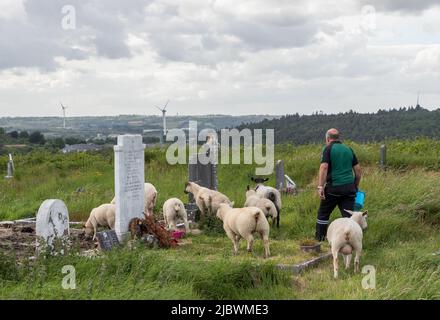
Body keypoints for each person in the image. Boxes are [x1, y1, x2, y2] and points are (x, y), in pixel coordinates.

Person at [315, 128, 362, 241]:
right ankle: (351, 240)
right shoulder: (349, 149)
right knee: (349, 217)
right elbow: (358, 170)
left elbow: (324, 167)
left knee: (323, 213)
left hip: (333, 189)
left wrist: (320, 186)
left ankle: (320, 239)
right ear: (338, 138)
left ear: (327, 138)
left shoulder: (328, 149)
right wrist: (355, 186)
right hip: (349, 189)